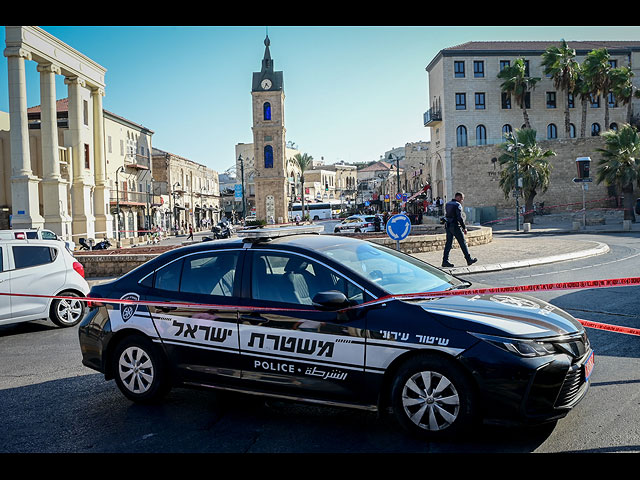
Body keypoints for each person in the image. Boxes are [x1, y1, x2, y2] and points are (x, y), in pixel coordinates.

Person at [442, 192, 477, 268]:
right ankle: (468, 259)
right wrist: (464, 227)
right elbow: (459, 217)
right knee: (462, 242)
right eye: (461, 199)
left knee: (448, 244)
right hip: (455, 226)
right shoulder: (457, 205)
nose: (462, 201)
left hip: (448, 225)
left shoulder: (448, 204)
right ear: (458, 197)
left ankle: (445, 261)